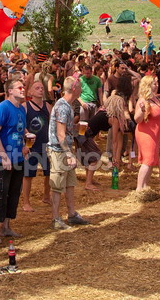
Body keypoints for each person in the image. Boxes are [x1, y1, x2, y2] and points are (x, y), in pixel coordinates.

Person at [47, 77, 90, 230]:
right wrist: (69, 154)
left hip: (65, 150)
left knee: (70, 184)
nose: (82, 90)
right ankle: (56, 218)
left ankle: (71, 214)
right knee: (57, 186)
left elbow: (65, 129)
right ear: (74, 89)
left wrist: (77, 127)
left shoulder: (68, 106)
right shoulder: (63, 107)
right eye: (80, 88)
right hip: (59, 151)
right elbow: (60, 134)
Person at [0, 78, 27, 243]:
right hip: (1, 158)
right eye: (19, 87)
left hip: (18, 156)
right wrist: (3, 156)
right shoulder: (2, 108)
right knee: (0, 193)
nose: (23, 89)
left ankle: (6, 226)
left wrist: (26, 143)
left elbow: (21, 128)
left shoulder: (22, 109)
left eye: (24, 86)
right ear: (10, 91)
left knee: (14, 192)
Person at [133, 75, 160, 189]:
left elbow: (159, 112)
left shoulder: (155, 99)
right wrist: (142, 110)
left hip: (155, 133)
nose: (157, 85)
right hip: (146, 133)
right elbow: (137, 119)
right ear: (147, 86)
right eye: (154, 84)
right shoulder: (143, 100)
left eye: (157, 83)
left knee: (152, 160)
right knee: (147, 160)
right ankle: (139, 189)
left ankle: (145, 186)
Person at [21, 79, 51, 211]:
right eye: (37, 88)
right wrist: (25, 143)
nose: (41, 89)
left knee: (49, 172)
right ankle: (26, 202)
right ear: (30, 92)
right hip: (31, 146)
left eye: (42, 88)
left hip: (45, 145)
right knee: (28, 175)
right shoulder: (25, 106)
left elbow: (52, 125)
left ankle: (46, 196)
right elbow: (20, 126)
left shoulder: (48, 106)